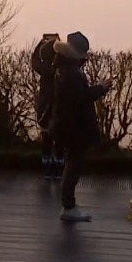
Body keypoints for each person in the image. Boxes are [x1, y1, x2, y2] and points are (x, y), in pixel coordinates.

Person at [50, 31, 112, 222]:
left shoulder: (63, 69)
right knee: (73, 166)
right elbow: (80, 98)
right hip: (74, 128)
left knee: (72, 164)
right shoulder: (71, 73)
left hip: (66, 125)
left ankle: (69, 204)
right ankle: (68, 206)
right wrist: (100, 88)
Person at [32, 32, 64, 180]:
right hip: (59, 106)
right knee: (59, 139)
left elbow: (34, 60)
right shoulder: (61, 68)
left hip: (45, 107)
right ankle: (59, 169)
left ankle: (47, 170)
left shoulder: (45, 69)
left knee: (46, 137)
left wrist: (41, 42)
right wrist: (60, 44)